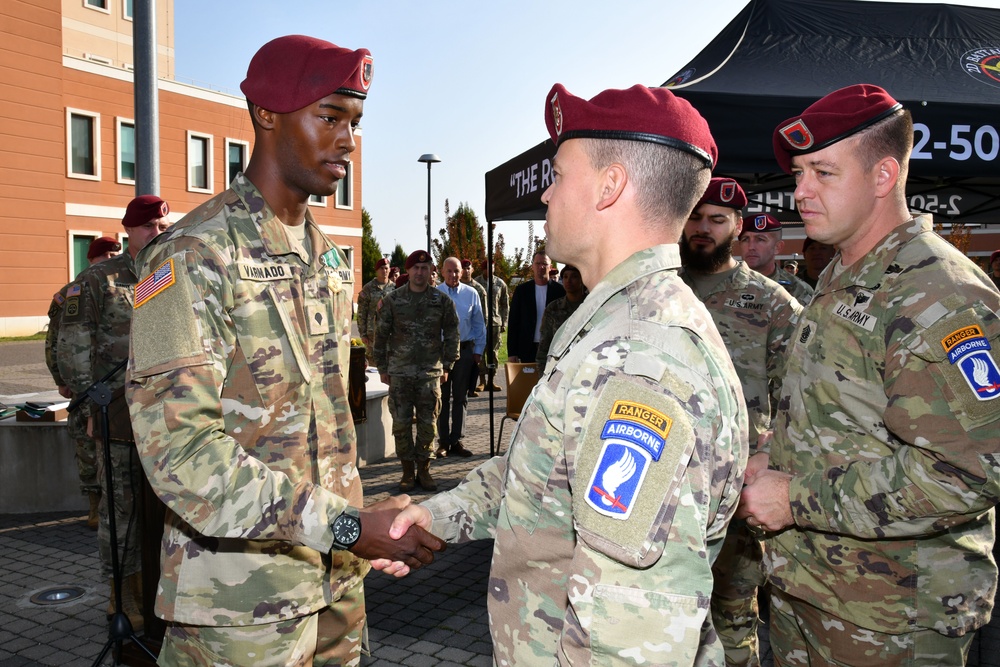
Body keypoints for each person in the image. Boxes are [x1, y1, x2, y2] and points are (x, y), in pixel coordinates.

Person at [375, 83, 748, 664]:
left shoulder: (640, 358)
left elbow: (628, 639)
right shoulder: (612, 323)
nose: (547, 191)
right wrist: (438, 514)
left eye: (559, 173)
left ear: (610, 186)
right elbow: (546, 476)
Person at [125, 36, 445, 665]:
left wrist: (358, 535)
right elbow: (183, 456)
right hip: (239, 608)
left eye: (354, 122)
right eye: (329, 117)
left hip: (337, 586)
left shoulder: (324, 256)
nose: (347, 140)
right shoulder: (190, 258)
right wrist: (350, 525)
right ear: (267, 116)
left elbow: (327, 425)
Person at [738, 83, 1000, 665]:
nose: (800, 191)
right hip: (809, 592)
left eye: (822, 173)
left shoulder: (939, 296)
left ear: (884, 176)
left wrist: (796, 498)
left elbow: (968, 472)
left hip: (894, 619)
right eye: (799, 172)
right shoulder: (840, 278)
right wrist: (774, 453)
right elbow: (848, 421)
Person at [680, 177, 802, 666]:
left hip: (733, 488)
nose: (702, 229)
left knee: (732, 618)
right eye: (695, 217)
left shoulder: (771, 303)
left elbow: (801, 393)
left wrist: (771, 452)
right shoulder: (659, 290)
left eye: (717, 220)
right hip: (661, 481)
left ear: (737, 227)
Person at [58, 197, 171, 630]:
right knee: (120, 510)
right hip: (117, 416)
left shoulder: (169, 275)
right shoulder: (97, 280)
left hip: (166, 416)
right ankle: (122, 593)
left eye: (163, 225)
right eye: (149, 227)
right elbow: (74, 348)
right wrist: (90, 408)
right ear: (129, 231)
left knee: (164, 509)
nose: (158, 233)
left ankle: (159, 587)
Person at [45, 235, 121, 531]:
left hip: (118, 383)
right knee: (87, 443)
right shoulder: (71, 292)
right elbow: (55, 341)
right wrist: (60, 378)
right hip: (86, 380)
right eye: (105, 256)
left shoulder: (128, 284)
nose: (110, 260)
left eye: (115, 253)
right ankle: (93, 504)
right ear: (91, 259)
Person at [373, 249, 459, 492]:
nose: (420, 272)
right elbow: (381, 336)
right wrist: (382, 367)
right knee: (400, 425)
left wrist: (447, 365)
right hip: (399, 374)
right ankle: (407, 471)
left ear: (431, 270)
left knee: (428, 425)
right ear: (408, 271)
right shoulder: (393, 300)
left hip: (430, 374)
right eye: (416, 268)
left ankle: (424, 470)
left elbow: (452, 333)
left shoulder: (442, 301)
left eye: (425, 268)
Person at [435, 256, 486, 459]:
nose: (454, 275)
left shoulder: (471, 294)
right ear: (442, 272)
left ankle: (457, 440)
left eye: (457, 271)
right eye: (449, 271)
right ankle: (443, 442)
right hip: (442, 353)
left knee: (461, 397)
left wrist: (478, 351)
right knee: (442, 398)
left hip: (465, 352)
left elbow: (478, 324)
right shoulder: (435, 293)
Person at [739, 212, 814, 304]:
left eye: (760, 239)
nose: (751, 247)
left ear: (777, 247)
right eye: (745, 239)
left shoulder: (799, 290)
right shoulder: (722, 283)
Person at [507, 249, 564, 363]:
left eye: (544, 264)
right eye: (538, 263)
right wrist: (512, 352)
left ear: (550, 266)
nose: (541, 267)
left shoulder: (560, 291)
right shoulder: (522, 291)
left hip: (552, 348)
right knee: (528, 381)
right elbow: (514, 322)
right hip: (528, 347)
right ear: (532, 266)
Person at [535, 264, 586, 372]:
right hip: (559, 367)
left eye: (574, 276)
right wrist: (542, 373)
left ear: (582, 279)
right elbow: (545, 344)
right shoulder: (553, 308)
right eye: (566, 277)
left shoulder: (591, 305)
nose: (569, 280)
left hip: (585, 364)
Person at [474, 258, 509, 392]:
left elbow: (505, 305)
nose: (490, 270)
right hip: (480, 323)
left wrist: (504, 322)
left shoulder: (500, 284)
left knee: (493, 353)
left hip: (495, 323)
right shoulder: (476, 283)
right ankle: (482, 381)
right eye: (487, 267)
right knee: (480, 352)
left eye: (492, 267)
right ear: (483, 269)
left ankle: (492, 381)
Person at [459, 258, 488, 397]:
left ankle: (475, 385)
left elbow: (482, 316)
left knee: (477, 360)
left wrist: (481, 334)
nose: (466, 270)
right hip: (461, 336)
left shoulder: (478, 289)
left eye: (468, 267)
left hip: (473, 334)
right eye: (463, 268)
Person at [356, 257, 392, 365]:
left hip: (391, 335)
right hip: (372, 336)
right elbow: (361, 313)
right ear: (376, 270)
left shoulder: (395, 288)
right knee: (373, 367)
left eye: (386, 268)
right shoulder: (368, 288)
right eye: (381, 268)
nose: (384, 271)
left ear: (389, 269)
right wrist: (363, 334)